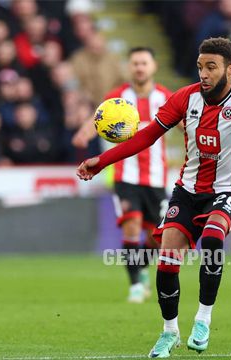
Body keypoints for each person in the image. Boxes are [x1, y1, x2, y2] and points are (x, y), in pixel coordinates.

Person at [77, 37, 231, 358]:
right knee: (167, 264)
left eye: (211, 67)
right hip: (188, 191)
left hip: (230, 191)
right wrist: (102, 161)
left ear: (230, 68)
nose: (204, 74)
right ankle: (169, 333)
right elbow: (146, 136)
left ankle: (203, 319)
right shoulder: (184, 98)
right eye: (200, 67)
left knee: (212, 237)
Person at [72, 47, 173, 304]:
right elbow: (99, 118)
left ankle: (139, 269)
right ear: (130, 68)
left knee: (155, 238)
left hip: (156, 178)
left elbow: (186, 122)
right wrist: (86, 132)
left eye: (144, 63)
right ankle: (136, 285)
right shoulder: (118, 97)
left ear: (154, 66)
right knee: (132, 226)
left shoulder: (165, 97)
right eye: (135, 63)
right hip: (125, 176)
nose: (139, 67)